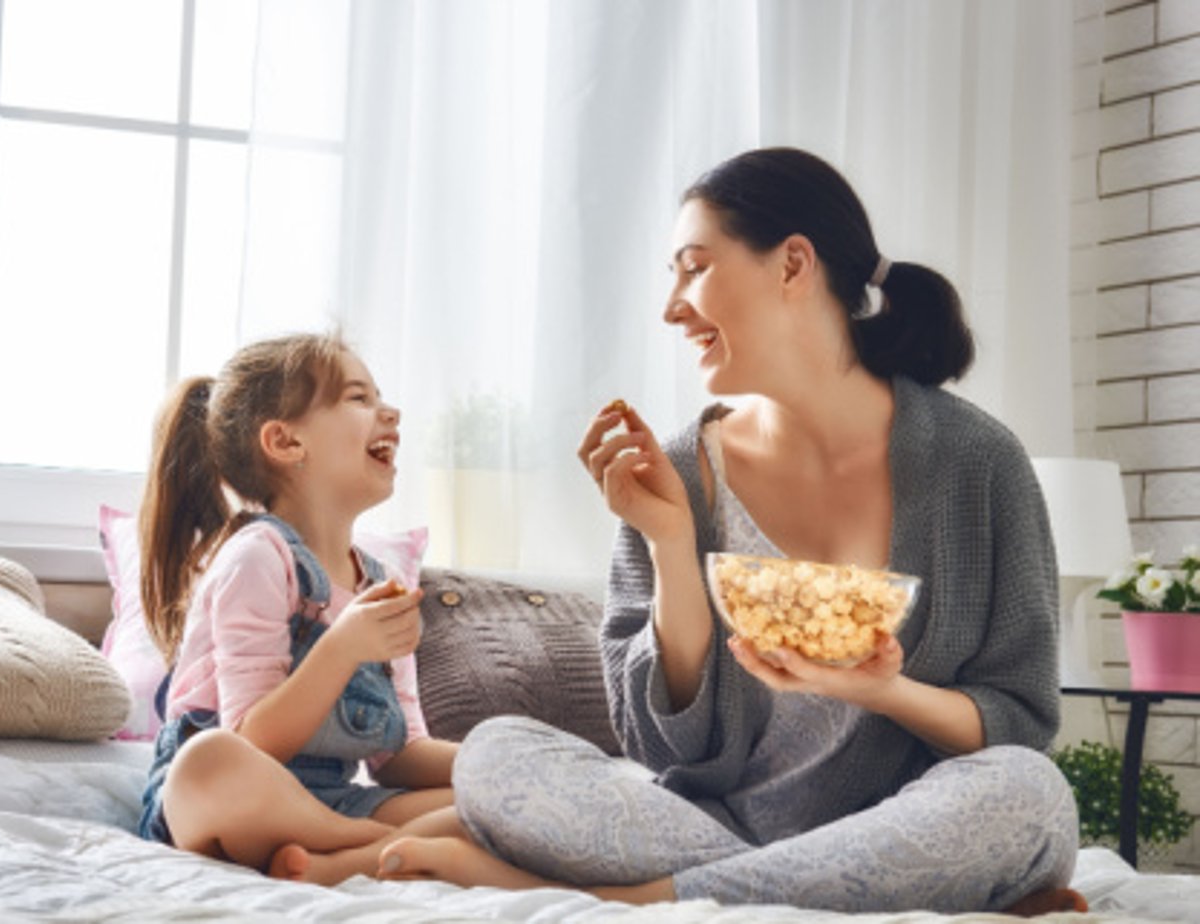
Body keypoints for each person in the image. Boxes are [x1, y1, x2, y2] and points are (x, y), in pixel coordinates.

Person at [373, 147, 1085, 915]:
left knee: (1028, 794)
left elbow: (1020, 721)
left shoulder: (978, 462)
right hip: (708, 823)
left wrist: (887, 691)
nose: (672, 305)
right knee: (497, 757)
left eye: (694, 267)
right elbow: (659, 749)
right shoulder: (679, 470)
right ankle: (858, 893)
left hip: (906, 818)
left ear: (792, 264)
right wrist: (672, 547)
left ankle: (652, 899)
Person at [134, 332, 461, 875]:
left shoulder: (381, 582)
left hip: (326, 802)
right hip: (229, 799)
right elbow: (252, 743)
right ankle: (370, 842)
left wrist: (499, 763)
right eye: (360, 398)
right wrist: (344, 646)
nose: (390, 413)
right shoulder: (257, 558)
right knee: (208, 761)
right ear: (286, 443)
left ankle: (335, 855)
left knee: (495, 808)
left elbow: (398, 758)